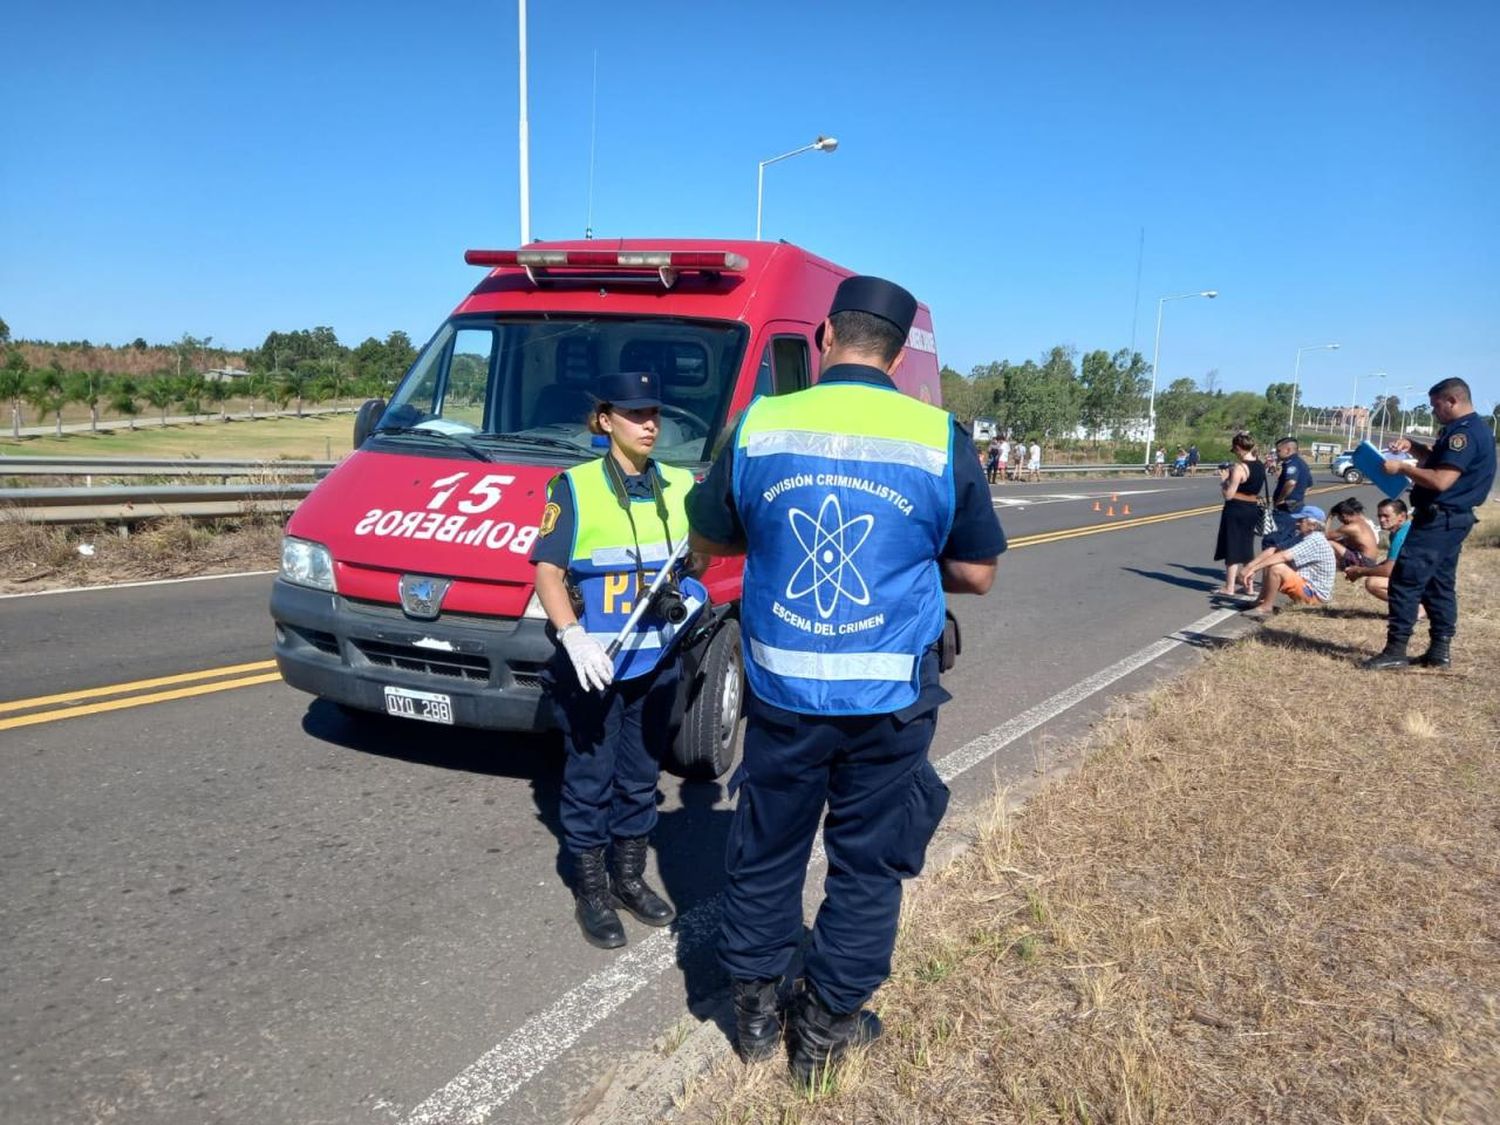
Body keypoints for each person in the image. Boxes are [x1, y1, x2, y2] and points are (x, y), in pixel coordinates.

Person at [685, 275, 1005, 1084]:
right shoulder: (937, 435)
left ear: (825, 337)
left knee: (767, 850)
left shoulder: (762, 422)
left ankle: (755, 1011)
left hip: (784, 693)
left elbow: (713, 536)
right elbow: (976, 571)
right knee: (869, 861)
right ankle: (825, 1027)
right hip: (890, 698)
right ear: (898, 356)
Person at [530, 370, 706, 948]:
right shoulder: (574, 487)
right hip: (595, 667)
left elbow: (694, 563)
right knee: (588, 781)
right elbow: (548, 574)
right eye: (634, 414)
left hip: (655, 664)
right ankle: (592, 891)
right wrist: (574, 637)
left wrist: (695, 589)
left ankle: (629, 878)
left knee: (638, 778)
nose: (649, 423)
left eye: (653, 411)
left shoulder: (679, 486)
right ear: (605, 421)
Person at [1364, 377, 1497, 670]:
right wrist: (1412, 447)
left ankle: (1396, 649)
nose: (1434, 411)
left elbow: (1441, 479)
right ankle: (1439, 650)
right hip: (1450, 520)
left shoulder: (1465, 435)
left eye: (1437, 405)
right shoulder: (1468, 430)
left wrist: (1402, 468)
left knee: (1405, 581)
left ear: (1453, 401)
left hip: (1440, 520)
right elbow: (1438, 460)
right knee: (1439, 585)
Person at [1237, 505, 1336, 619]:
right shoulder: (1303, 536)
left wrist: (1254, 569)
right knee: (1270, 561)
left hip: (1315, 596)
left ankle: (1266, 608)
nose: (1297, 523)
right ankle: (1260, 601)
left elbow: (1284, 556)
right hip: (1306, 586)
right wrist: (1249, 567)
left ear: (1313, 525)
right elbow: (1274, 549)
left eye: (1301, 520)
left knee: (1276, 568)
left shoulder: (1315, 540)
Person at [1212, 433, 1265, 596]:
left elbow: (1228, 494)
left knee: (1232, 547)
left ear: (1238, 449)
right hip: (1252, 508)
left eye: (1234, 450)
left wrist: (1224, 480)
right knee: (1247, 548)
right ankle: (1249, 587)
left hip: (1236, 508)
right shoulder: (1260, 465)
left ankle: (1229, 587)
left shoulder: (1240, 468)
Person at [1345, 497, 1414, 606]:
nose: (1381, 520)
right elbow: (1392, 563)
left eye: (1386, 516)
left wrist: (1359, 571)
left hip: (1424, 582)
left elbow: (1388, 570)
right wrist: (1365, 569)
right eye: (1379, 516)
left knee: (1373, 583)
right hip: (1420, 577)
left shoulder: (1401, 535)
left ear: (1402, 516)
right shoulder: (1398, 531)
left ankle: (1416, 607)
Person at [1262, 437, 1311, 550]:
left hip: (1285, 509)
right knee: (1288, 543)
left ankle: (1270, 567)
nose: (1277, 454)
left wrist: (1280, 499)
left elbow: (1291, 482)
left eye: (1279, 451)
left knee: (1272, 542)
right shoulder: (1302, 463)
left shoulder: (1291, 463)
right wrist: (1298, 497)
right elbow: (1308, 485)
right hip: (1297, 508)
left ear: (1288, 450)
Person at [1325, 497, 1380, 570]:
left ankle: (1330, 567)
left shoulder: (1351, 527)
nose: (1340, 520)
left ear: (1344, 516)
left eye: (1339, 517)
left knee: (1329, 543)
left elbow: (1324, 536)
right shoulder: (1362, 522)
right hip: (1371, 561)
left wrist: (1330, 517)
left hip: (1364, 561)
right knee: (1342, 541)